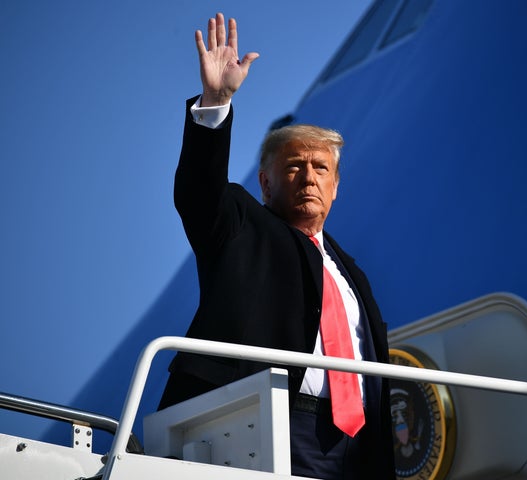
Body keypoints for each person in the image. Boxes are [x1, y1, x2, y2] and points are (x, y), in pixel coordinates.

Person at [158, 13, 395, 479]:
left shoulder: (351, 274)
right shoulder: (242, 224)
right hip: (266, 425)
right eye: (294, 167)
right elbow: (198, 193)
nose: (309, 176)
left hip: (359, 446)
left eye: (321, 168)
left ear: (336, 187)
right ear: (265, 183)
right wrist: (215, 103)